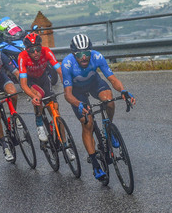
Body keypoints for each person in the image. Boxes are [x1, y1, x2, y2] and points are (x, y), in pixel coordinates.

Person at [61, 34, 136, 181]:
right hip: (77, 91)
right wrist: (79, 104)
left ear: (91, 51)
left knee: (109, 102)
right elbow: (68, 95)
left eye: (87, 53)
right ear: (73, 54)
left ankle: (108, 128)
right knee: (87, 123)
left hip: (94, 83)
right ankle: (95, 164)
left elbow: (112, 78)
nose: (84, 57)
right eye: (80, 54)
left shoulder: (97, 57)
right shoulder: (67, 64)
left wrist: (123, 91)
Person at [18, 33, 63, 143]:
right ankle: (39, 124)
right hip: (31, 81)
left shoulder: (46, 51)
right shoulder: (22, 57)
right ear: (27, 50)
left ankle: (64, 143)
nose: (36, 53)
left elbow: (60, 70)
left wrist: (67, 86)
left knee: (55, 111)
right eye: (31, 51)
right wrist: (33, 97)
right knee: (38, 97)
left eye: (38, 49)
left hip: (43, 78)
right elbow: (23, 84)